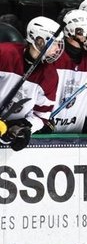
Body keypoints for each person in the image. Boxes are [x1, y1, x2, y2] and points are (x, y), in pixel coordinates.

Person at [0, 16, 64, 151]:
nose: (58, 49)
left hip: (6, 135)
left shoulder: (50, 76)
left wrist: (23, 128)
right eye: (54, 43)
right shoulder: (4, 54)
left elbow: (41, 116)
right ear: (39, 41)